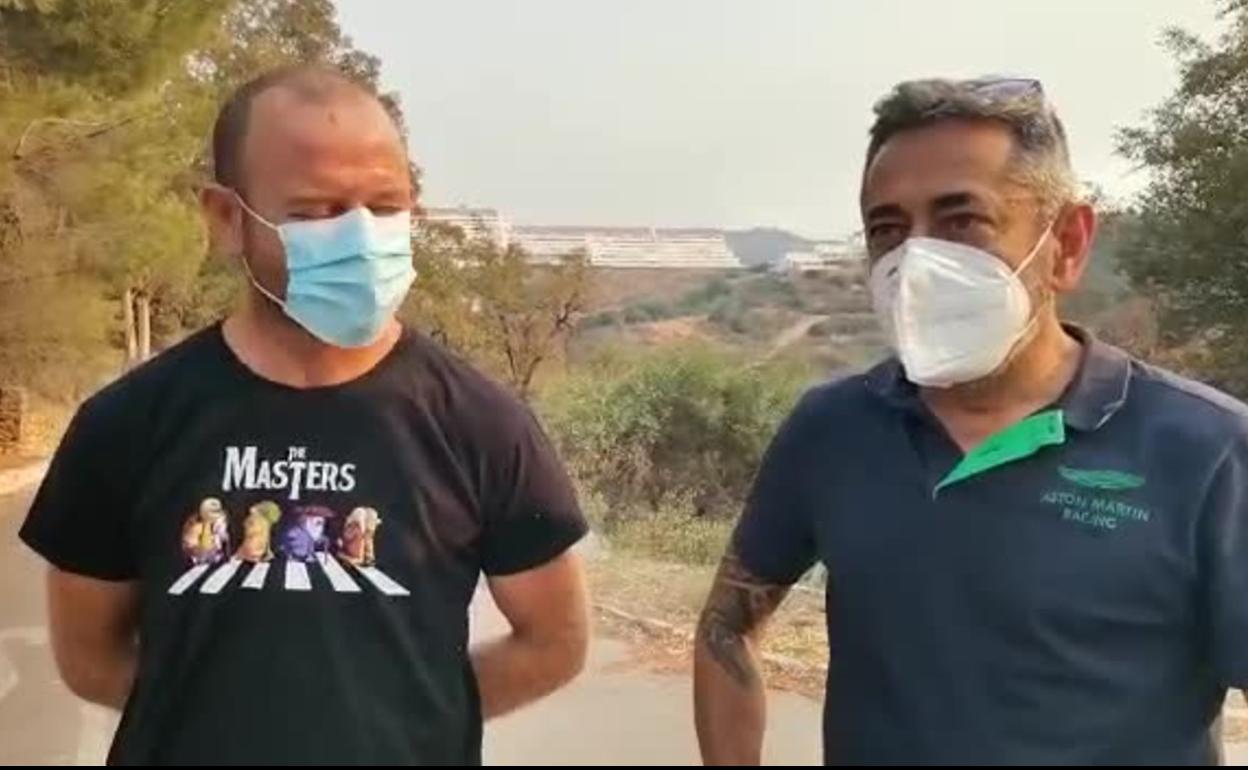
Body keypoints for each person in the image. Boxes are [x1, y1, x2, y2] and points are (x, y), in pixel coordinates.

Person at [20, 65, 589, 765]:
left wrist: (410, 722)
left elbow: (555, 641)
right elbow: (88, 654)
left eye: (385, 205)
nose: (360, 236)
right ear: (226, 218)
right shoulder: (127, 425)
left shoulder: (481, 424)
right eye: (317, 212)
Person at [693, 76, 1248, 765]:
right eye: (888, 230)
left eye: (962, 222)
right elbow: (726, 626)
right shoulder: (831, 430)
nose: (917, 263)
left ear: (1067, 243)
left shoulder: (1208, 452)